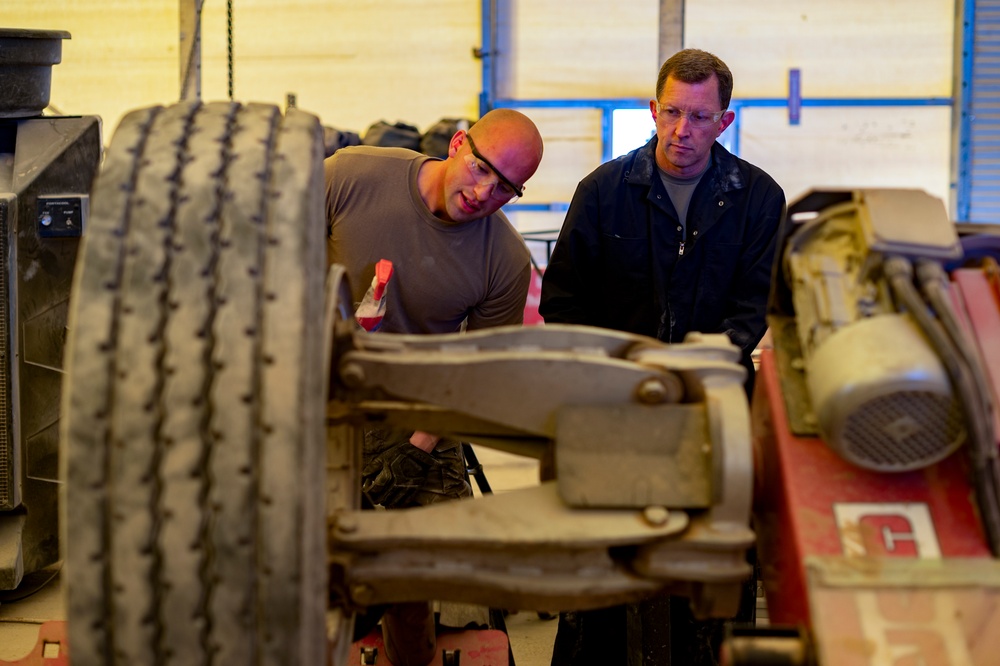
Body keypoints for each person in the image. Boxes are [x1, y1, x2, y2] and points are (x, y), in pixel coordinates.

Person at [539, 49, 784, 665]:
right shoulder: (602, 193)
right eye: (671, 112)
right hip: (609, 410)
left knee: (707, 573)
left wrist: (693, 382)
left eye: (700, 117)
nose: (682, 130)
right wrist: (614, 381)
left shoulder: (757, 199)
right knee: (600, 567)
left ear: (724, 122)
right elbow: (563, 304)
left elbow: (752, 311)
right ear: (652, 109)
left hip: (712, 416)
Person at [325, 107, 544, 666]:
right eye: (482, 169)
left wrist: (415, 452)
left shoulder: (504, 261)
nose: (485, 193)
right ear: (458, 144)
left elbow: (477, 376)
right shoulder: (351, 176)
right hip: (314, 388)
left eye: (506, 188)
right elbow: (264, 259)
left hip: (420, 408)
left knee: (414, 567)